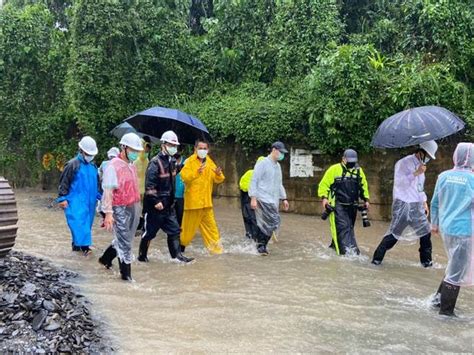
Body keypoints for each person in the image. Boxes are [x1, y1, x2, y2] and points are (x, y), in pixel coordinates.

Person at [372, 141, 438, 267]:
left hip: (416, 206)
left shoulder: (421, 166)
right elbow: (400, 184)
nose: (429, 158)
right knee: (393, 235)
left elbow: (419, 187)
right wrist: (416, 173)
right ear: (421, 152)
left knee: (425, 233)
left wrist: (424, 202)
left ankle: (427, 264)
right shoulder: (403, 163)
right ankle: (376, 261)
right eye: (428, 155)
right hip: (402, 205)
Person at [430, 142, 473, 316]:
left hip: (447, 229)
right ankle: (446, 313)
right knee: (457, 271)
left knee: (454, 264)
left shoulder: (443, 176)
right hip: (464, 231)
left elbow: (434, 202)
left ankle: (437, 301)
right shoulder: (472, 180)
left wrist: (434, 224)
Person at [138, 131, 193, 263]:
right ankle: (142, 256)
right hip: (154, 207)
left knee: (174, 230)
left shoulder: (172, 161)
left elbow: (172, 174)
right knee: (149, 233)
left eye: (175, 145)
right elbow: (149, 186)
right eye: (171, 144)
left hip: (168, 205)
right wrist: (156, 201)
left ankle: (177, 257)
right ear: (163, 145)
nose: (173, 147)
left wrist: (183, 166)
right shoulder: (155, 163)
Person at [98, 133, 143, 281]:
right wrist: (108, 213)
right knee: (125, 243)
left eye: (137, 150)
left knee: (125, 239)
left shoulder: (131, 166)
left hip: (133, 206)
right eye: (132, 150)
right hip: (119, 208)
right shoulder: (113, 166)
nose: (135, 153)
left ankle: (105, 259)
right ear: (123, 147)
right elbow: (108, 191)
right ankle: (126, 277)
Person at [317, 149, 370, 255]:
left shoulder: (358, 171)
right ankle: (345, 255)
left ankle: (333, 248)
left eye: (353, 161)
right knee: (343, 228)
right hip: (337, 205)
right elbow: (324, 185)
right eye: (349, 161)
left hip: (352, 206)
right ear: (343, 159)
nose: (351, 163)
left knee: (348, 228)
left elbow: (363, 185)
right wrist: (324, 198)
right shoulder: (334, 169)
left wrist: (366, 200)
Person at [180, 139, 225, 255]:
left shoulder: (209, 162)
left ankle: (217, 253)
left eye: (205, 149)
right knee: (186, 233)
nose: (202, 150)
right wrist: (196, 172)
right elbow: (184, 177)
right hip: (193, 204)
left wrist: (219, 174)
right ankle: (179, 251)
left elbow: (218, 179)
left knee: (212, 230)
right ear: (195, 149)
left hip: (206, 204)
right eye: (200, 148)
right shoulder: (189, 162)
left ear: (208, 150)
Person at [57, 136, 100, 256]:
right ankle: (84, 250)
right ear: (81, 150)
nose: (90, 156)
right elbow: (64, 182)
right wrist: (62, 198)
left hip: (90, 203)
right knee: (80, 226)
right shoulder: (72, 164)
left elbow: (97, 185)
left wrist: (101, 198)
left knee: (86, 226)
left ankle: (78, 253)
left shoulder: (93, 167)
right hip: (75, 202)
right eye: (87, 153)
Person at [249, 142, 290, 255]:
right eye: (280, 152)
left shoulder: (277, 166)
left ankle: (259, 244)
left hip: (273, 200)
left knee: (272, 222)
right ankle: (261, 245)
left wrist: (284, 198)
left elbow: (279, 183)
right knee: (271, 222)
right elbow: (254, 180)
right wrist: (253, 197)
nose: (282, 154)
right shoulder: (263, 163)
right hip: (262, 198)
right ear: (274, 150)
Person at [239, 156, 265, 240]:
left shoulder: (265, 177)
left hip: (257, 201)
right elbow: (243, 186)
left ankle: (254, 238)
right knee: (251, 220)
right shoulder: (250, 173)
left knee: (256, 221)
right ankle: (253, 238)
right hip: (248, 200)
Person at [134, 136, 152, 232]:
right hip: (136, 189)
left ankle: (141, 225)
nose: (147, 151)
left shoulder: (147, 161)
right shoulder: (135, 160)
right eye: (146, 149)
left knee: (143, 209)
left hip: (144, 189)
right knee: (136, 209)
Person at [174, 153, 186, 227]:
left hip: (181, 193)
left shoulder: (186, 162)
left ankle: (179, 229)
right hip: (171, 192)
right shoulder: (169, 161)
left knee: (180, 213)